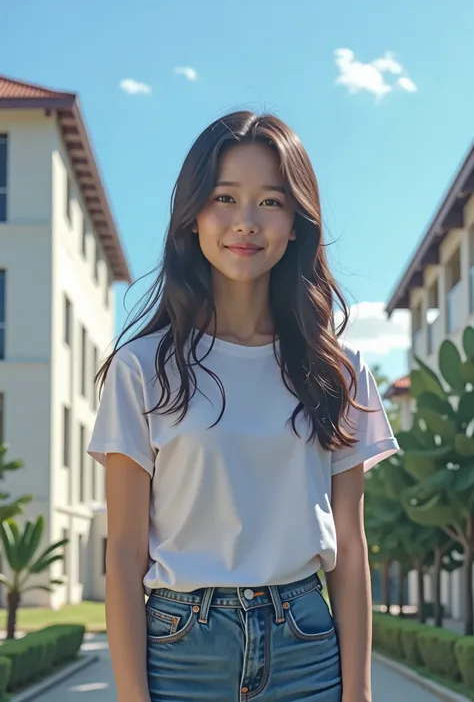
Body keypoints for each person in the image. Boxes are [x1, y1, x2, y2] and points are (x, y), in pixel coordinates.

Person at [87, 111, 399, 702]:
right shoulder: (142, 369)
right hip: (181, 651)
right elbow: (125, 554)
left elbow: (351, 550)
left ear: (296, 222)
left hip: (306, 645)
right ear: (193, 215)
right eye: (224, 197)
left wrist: (357, 694)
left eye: (271, 202)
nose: (246, 223)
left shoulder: (339, 370)